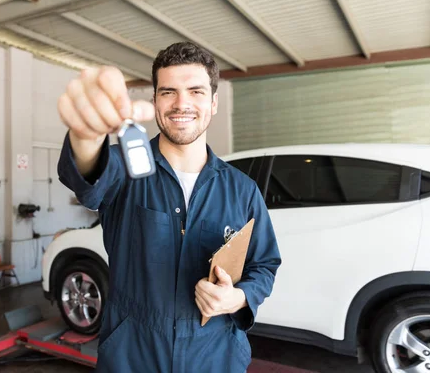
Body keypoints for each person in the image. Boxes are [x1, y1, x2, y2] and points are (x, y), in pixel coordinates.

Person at [57, 42, 281, 373]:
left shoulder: (242, 189)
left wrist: (240, 297)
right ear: (154, 101)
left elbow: (264, 264)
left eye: (196, 91)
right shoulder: (124, 170)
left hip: (216, 356)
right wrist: (86, 135)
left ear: (214, 102)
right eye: (168, 92)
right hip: (133, 357)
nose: (182, 104)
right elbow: (88, 170)